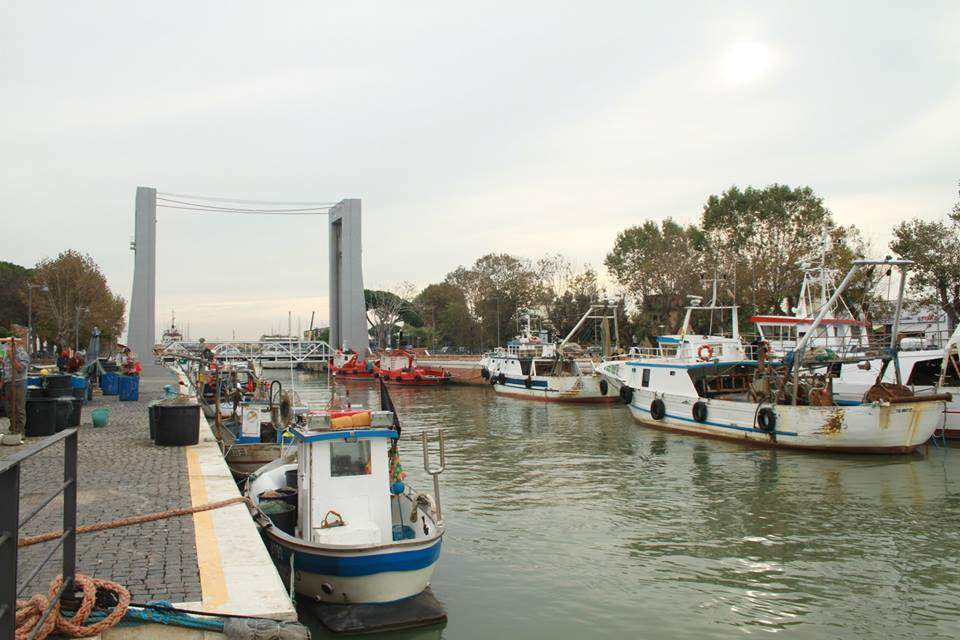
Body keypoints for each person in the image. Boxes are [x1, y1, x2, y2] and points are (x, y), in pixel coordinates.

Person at [2, 327, 30, 445]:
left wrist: (12, 357)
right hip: (8, 382)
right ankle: (12, 427)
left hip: (18, 382)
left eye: (9, 343)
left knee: (19, 408)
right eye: (7, 343)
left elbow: (20, 368)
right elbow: (5, 369)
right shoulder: (6, 354)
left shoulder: (22, 353)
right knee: (9, 407)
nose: (7, 345)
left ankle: (20, 431)